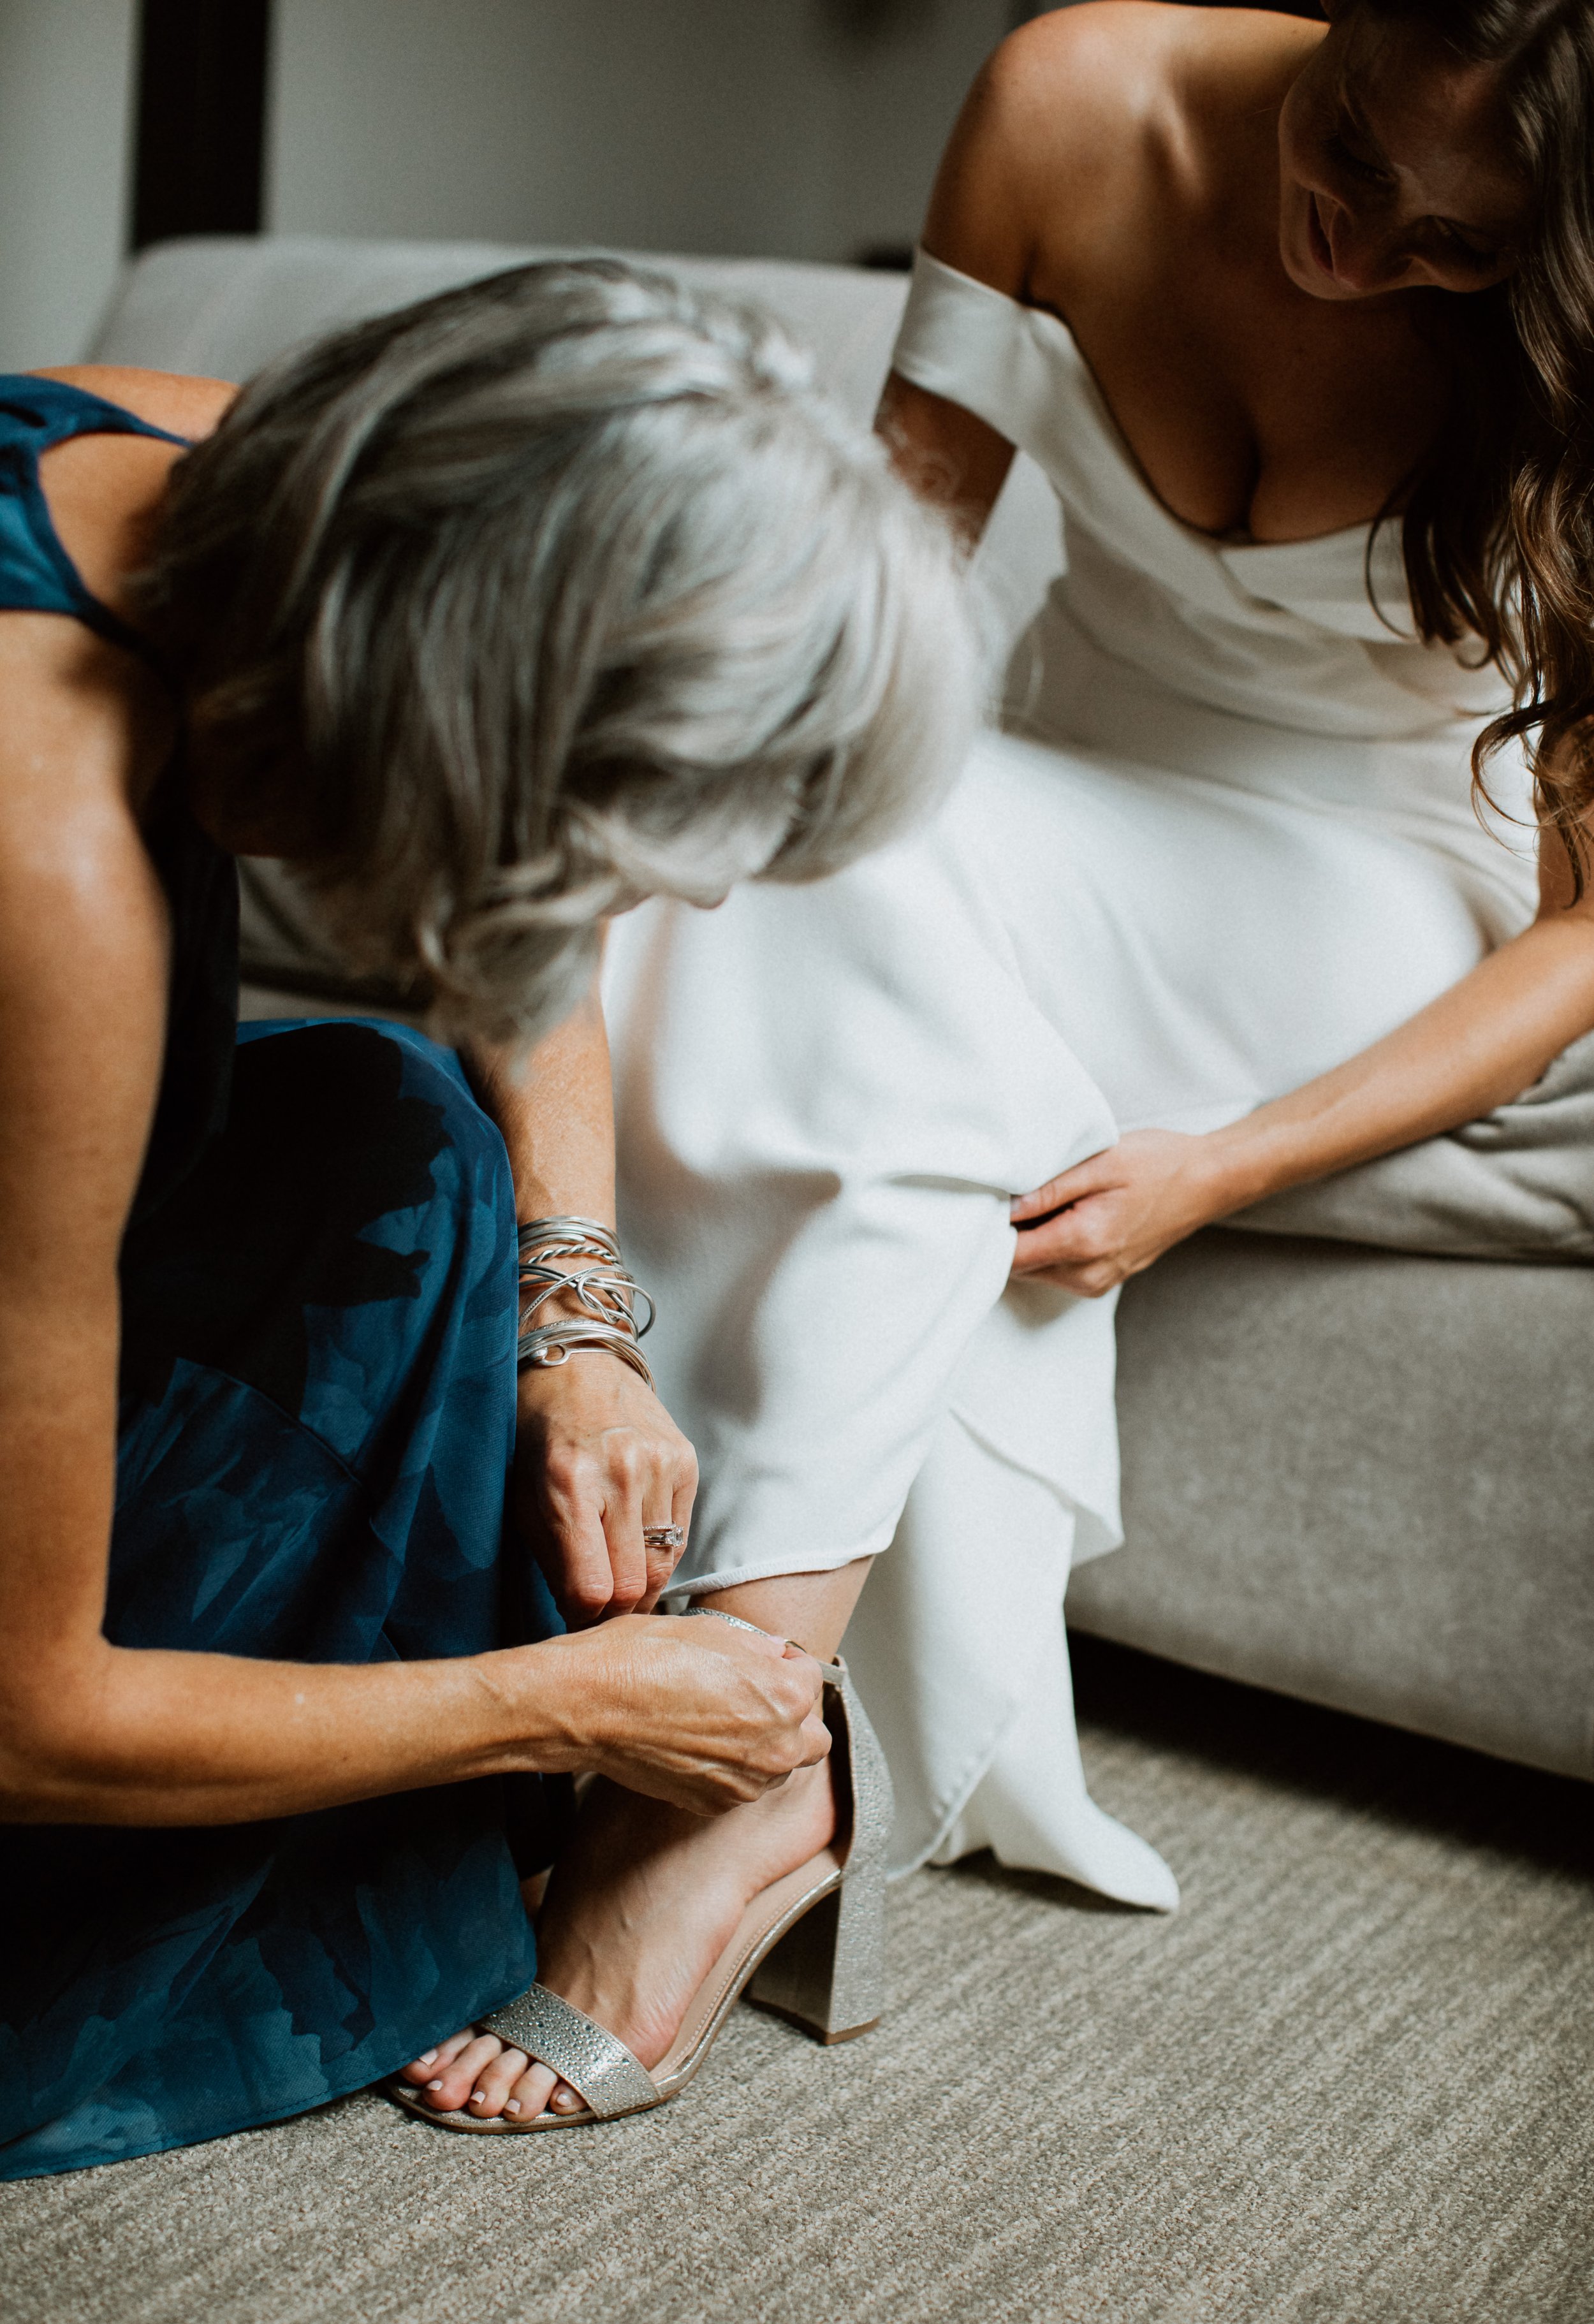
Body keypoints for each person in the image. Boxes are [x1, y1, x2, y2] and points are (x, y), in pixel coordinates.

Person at [409, 0, 1594, 2127]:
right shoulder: (1071, 99)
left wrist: (1221, 1166)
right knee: (771, 842)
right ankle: (688, 1706)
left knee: (867, 873)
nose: (1358, 250)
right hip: (1042, 777)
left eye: (1451, 252)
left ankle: (729, 1748)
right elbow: (881, 581)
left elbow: (1592, 923)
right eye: (1344, 159)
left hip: (1367, 877)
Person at [0, 257, 979, 2174]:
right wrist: (550, 1706)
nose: (645, 905)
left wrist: (581, 1322)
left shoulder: (210, 471)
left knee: (403, 1129)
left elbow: (516, 964)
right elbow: (22, 1714)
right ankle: (571, 1791)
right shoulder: (47, 860)